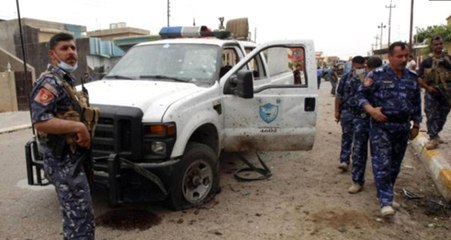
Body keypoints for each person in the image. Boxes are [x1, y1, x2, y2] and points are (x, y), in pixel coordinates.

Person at [30, 32, 97, 239]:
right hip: (63, 160)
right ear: (52, 55)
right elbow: (40, 120)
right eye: (64, 49)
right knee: (80, 221)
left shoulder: (65, 80)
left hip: (74, 159)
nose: (71, 53)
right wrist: (78, 128)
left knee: (80, 217)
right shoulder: (50, 83)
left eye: (73, 48)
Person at [357, 42, 421, 216]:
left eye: (406, 56)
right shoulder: (376, 75)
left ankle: (388, 194)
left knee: (395, 164)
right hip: (381, 126)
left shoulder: (412, 77)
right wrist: (371, 110)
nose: (403, 59)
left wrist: (416, 124)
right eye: (399, 56)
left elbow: (416, 102)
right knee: (382, 163)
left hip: (402, 126)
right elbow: (361, 95)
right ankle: (385, 201)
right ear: (390, 57)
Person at [345, 56, 383, 194]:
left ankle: (381, 185)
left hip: (379, 121)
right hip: (362, 118)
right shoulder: (363, 79)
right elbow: (357, 96)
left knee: (379, 154)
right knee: (359, 151)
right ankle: (357, 180)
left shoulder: (386, 79)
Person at [417, 36, 451, 150]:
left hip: (446, 93)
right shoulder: (427, 61)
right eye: (436, 44)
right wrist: (427, 88)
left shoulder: (449, 59)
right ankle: (432, 137)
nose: (439, 46)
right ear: (432, 46)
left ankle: (436, 133)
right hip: (432, 92)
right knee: (431, 115)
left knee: (443, 115)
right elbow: (418, 78)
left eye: (440, 44)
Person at [334, 56, 366, 172]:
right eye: (358, 67)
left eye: (362, 67)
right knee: (346, 136)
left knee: (359, 140)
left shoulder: (368, 78)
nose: (360, 69)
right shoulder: (345, 78)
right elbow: (339, 95)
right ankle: (344, 160)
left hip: (362, 114)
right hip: (347, 112)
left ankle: (357, 163)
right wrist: (337, 111)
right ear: (353, 66)